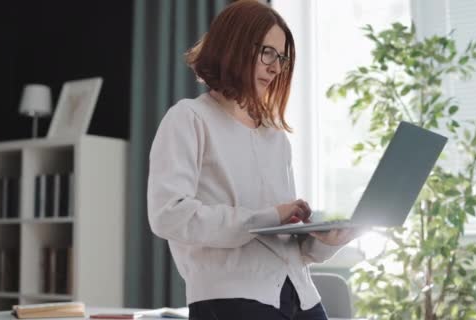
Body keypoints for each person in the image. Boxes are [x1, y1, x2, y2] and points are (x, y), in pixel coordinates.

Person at [147, 1, 358, 319]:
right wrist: (269, 216)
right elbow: (169, 216)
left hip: (300, 293)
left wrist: (327, 241)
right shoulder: (188, 119)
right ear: (234, 46)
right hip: (231, 296)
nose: (276, 67)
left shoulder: (274, 135)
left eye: (282, 58)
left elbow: (281, 240)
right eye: (268, 53)